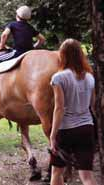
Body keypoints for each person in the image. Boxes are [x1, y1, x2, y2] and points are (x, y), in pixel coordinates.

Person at [49, 39, 97, 185]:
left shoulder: (58, 77)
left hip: (65, 131)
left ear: (62, 55)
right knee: (87, 176)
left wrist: (52, 135)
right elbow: (92, 104)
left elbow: (59, 107)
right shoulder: (90, 77)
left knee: (56, 172)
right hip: (86, 129)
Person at [0, 5, 45, 86]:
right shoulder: (30, 27)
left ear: (17, 16)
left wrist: (2, 47)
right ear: (28, 18)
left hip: (18, 52)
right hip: (29, 53)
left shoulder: (12, 24)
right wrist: (34, 47)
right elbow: (42, 39)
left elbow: (4, 35)